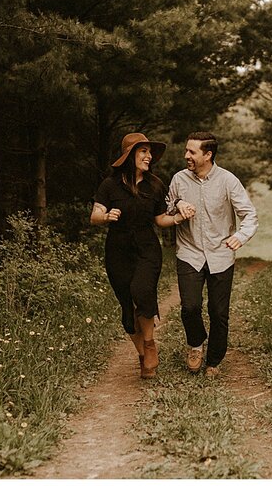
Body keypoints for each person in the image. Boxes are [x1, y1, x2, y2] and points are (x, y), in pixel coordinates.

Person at [164, 131, 258, 377]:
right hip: (189, 252)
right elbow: (165, 206)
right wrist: (177, 205)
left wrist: (240, 236)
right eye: (186, 150)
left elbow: (249, 215)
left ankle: (214, 361)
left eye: (192, 152)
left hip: (221, 254)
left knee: (219, 313)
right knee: (190, 307)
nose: (186, 156)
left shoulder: (228, 181)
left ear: (208, 155)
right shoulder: (179, 180)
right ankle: (196, 344)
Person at [91, 132, 180, 379]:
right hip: (117, 249)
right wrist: (106, 217)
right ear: (130, 156)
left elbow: (160, 219)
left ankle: (150, 344)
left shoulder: (155, 185)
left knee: (142, 291)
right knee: (127, 309)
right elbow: (94, 215)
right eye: (143, 151)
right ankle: (142, 355)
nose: (149, 156)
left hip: (147, 247)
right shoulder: (110, 185)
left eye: (150, 152)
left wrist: (177, 218)